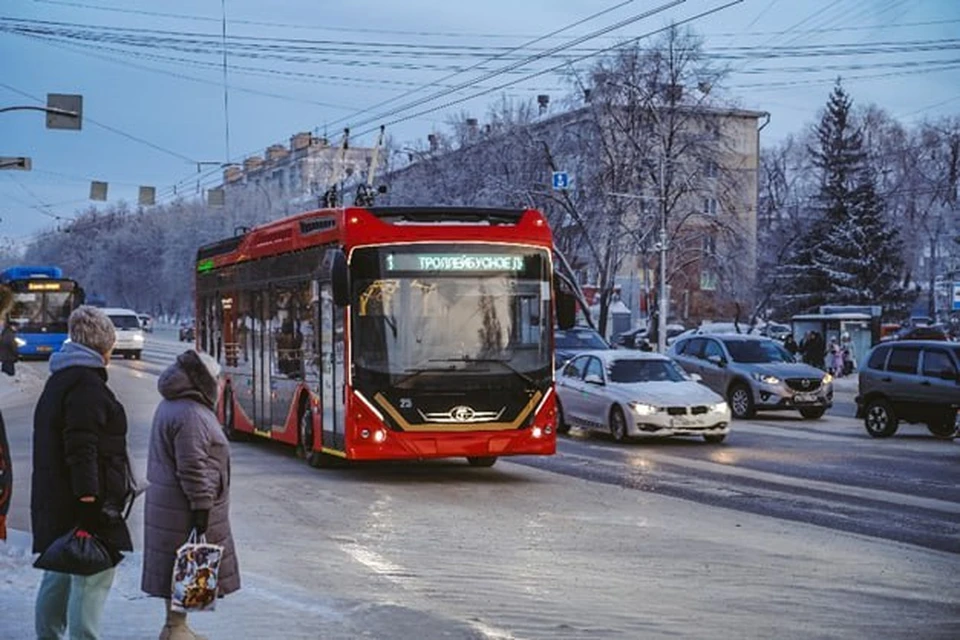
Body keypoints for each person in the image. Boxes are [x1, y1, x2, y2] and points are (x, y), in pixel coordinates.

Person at [32, 305, 133, 640]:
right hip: (84, 497)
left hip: (57, 495)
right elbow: (82, 446)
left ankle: (47, 635)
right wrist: (89, 500)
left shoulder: (61, 379)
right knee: (93, 573)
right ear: (101, 345)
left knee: (60, 569)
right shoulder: (87, 386)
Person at [142, 349, 240, 640]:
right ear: (205, 380)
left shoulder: (175, 405)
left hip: (170, 504)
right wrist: (202, 506)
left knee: (179, 565)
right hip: (183, 507)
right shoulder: (192, 414)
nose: (221, 384)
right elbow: (193, 466)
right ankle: (175, 629)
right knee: (183, 564)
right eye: (218, 378)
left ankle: (176, 625)